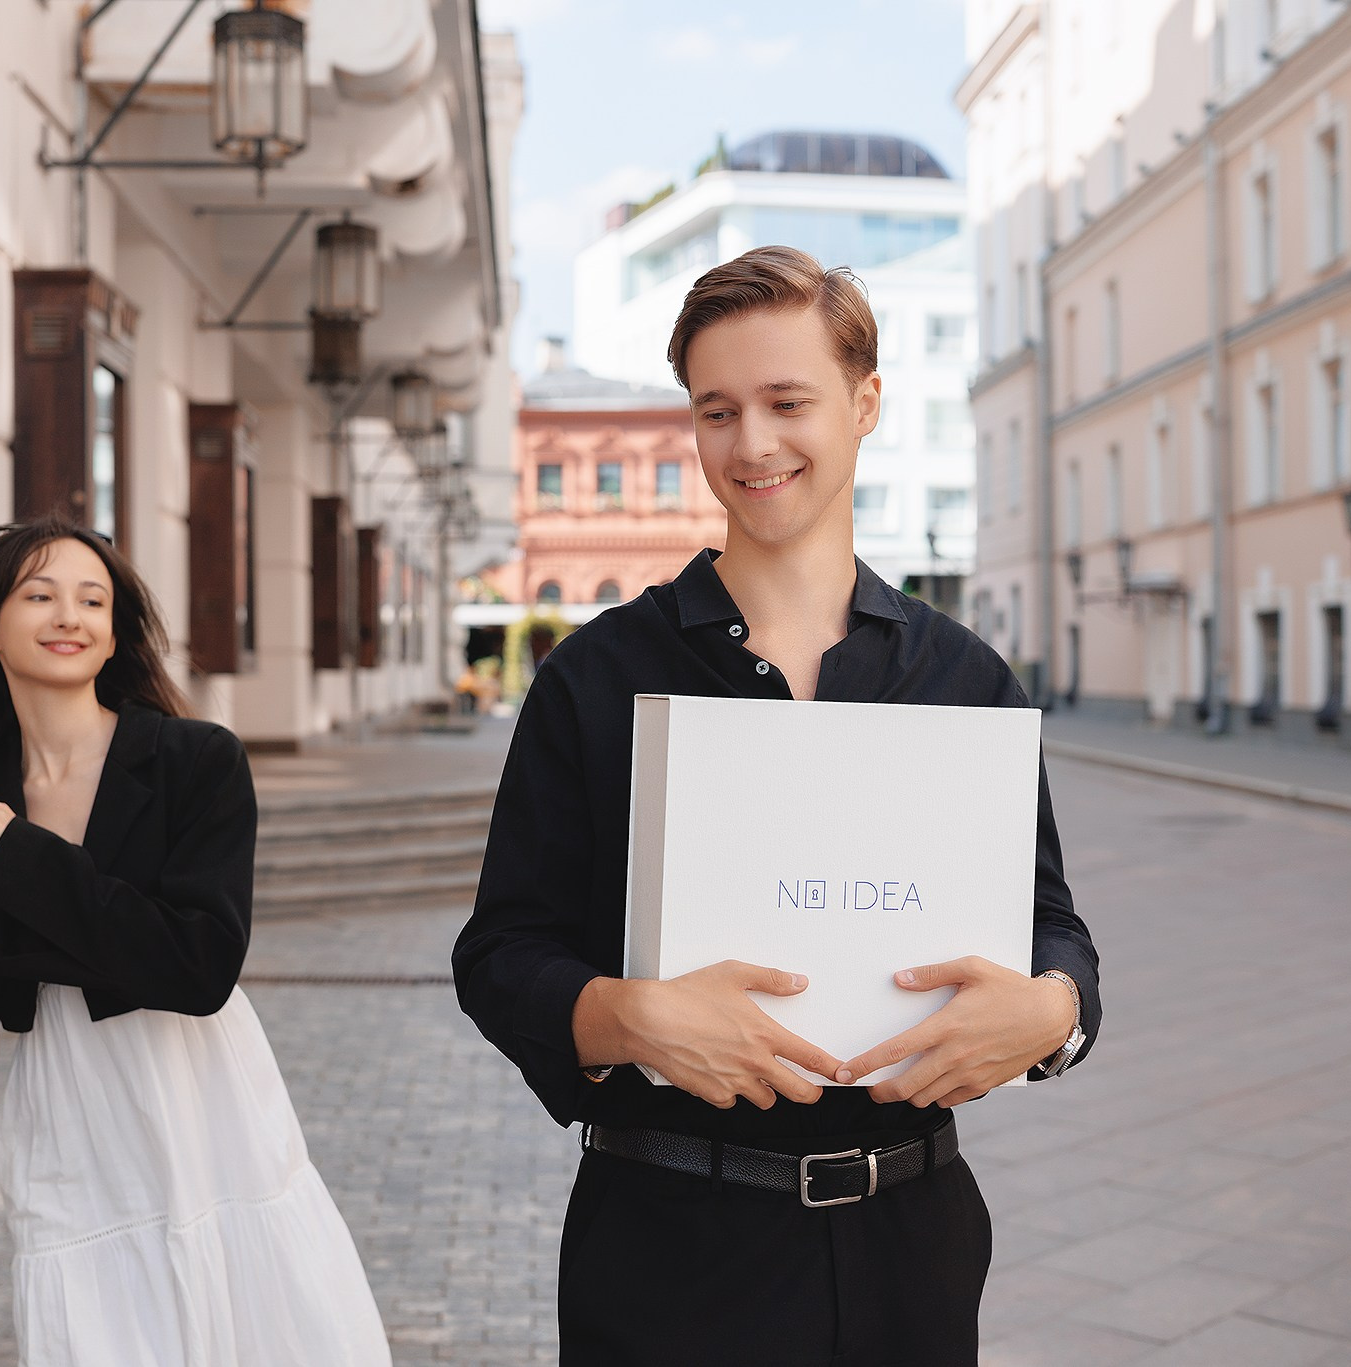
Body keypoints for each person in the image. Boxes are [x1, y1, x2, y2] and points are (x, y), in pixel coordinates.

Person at [453, 247, 1101, 1365]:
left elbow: (1052, 922)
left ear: (865, 404)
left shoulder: (965, 678)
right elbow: (500, 951)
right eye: (717, 410)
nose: (749, 443)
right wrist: (624, 1015)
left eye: (785, 402)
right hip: (664, 1249)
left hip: (914, 1240)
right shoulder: (597, 676)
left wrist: (1055, 1015)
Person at [0, 517, 389, 1367]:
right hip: (67, 1107)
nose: (70, 615)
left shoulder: (193, 761)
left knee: (242, 1318)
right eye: (40, 595)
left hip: (198, 1090)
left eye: (93, 599)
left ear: (114, 632)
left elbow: (199, 964)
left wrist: (18, 849)